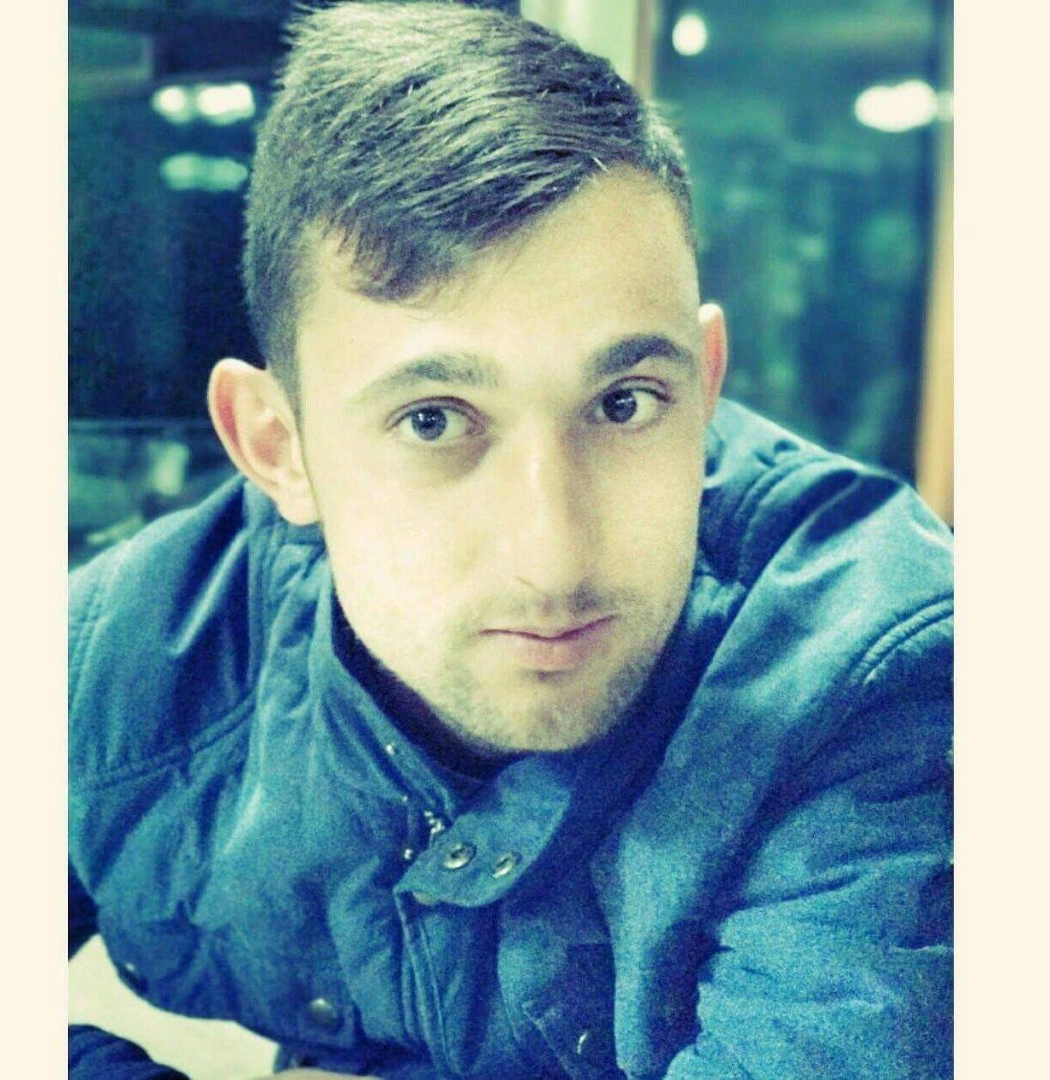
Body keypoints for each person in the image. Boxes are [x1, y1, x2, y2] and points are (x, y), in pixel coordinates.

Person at [68, 2, 953, 1078]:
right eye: (433, 421)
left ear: (706, 384)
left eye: (625, 403)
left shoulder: (883, 685)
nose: (554, 557)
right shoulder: (120, 663)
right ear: (277, 447)